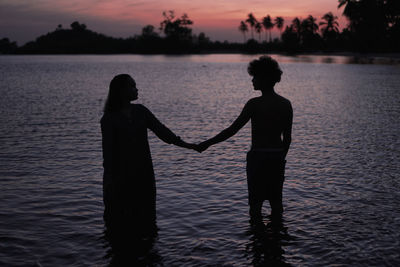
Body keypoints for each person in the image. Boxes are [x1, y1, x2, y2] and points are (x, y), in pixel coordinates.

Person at [196, 56, 293, 224]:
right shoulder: (286, 104)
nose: (252, 81)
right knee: (276, 202)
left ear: (264, 78)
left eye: (254, 77)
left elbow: (232, 130)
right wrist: (280, 156)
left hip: (258, 157)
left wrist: (207, 143)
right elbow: (288, 138)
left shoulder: (254, 104)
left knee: (255, 205)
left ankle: (256, 240)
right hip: (277, 157)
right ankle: (277, 240)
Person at [100, 74, 195, 235]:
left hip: (143, 173)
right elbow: (108, 153)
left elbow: (162, 132)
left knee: (146, 217)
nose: (136, 89)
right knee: (120, 219)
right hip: (120, 176)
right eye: (132, 86)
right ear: (122, 90)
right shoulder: (109, 118)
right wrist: (109, 179)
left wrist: (187, 145)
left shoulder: (141, 111)